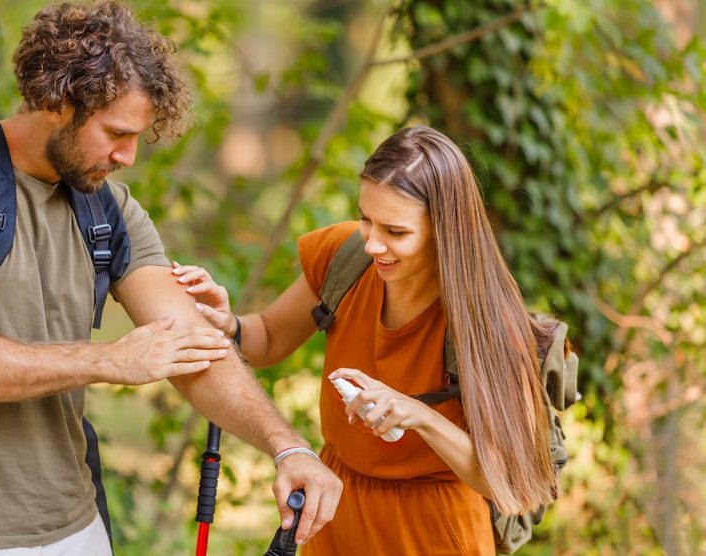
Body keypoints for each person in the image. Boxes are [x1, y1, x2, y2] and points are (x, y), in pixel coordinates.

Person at [0, 2, 341, 554]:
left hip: (78, 524)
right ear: (56, 101)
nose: (129, 157)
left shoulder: (109, 208)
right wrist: (109, 360)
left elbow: (193, 347)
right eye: (117, 134)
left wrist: (288, 447)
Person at [174, 125, 561, 554]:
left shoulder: (490, 324)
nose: (374, 244)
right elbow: (267, 339)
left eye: (396, 232)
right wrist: (230, 323)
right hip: (334, 511)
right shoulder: (345, 258)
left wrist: (419, 415)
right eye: (365, 219)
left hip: (433, 532)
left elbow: (513, 483)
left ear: (445, 231)